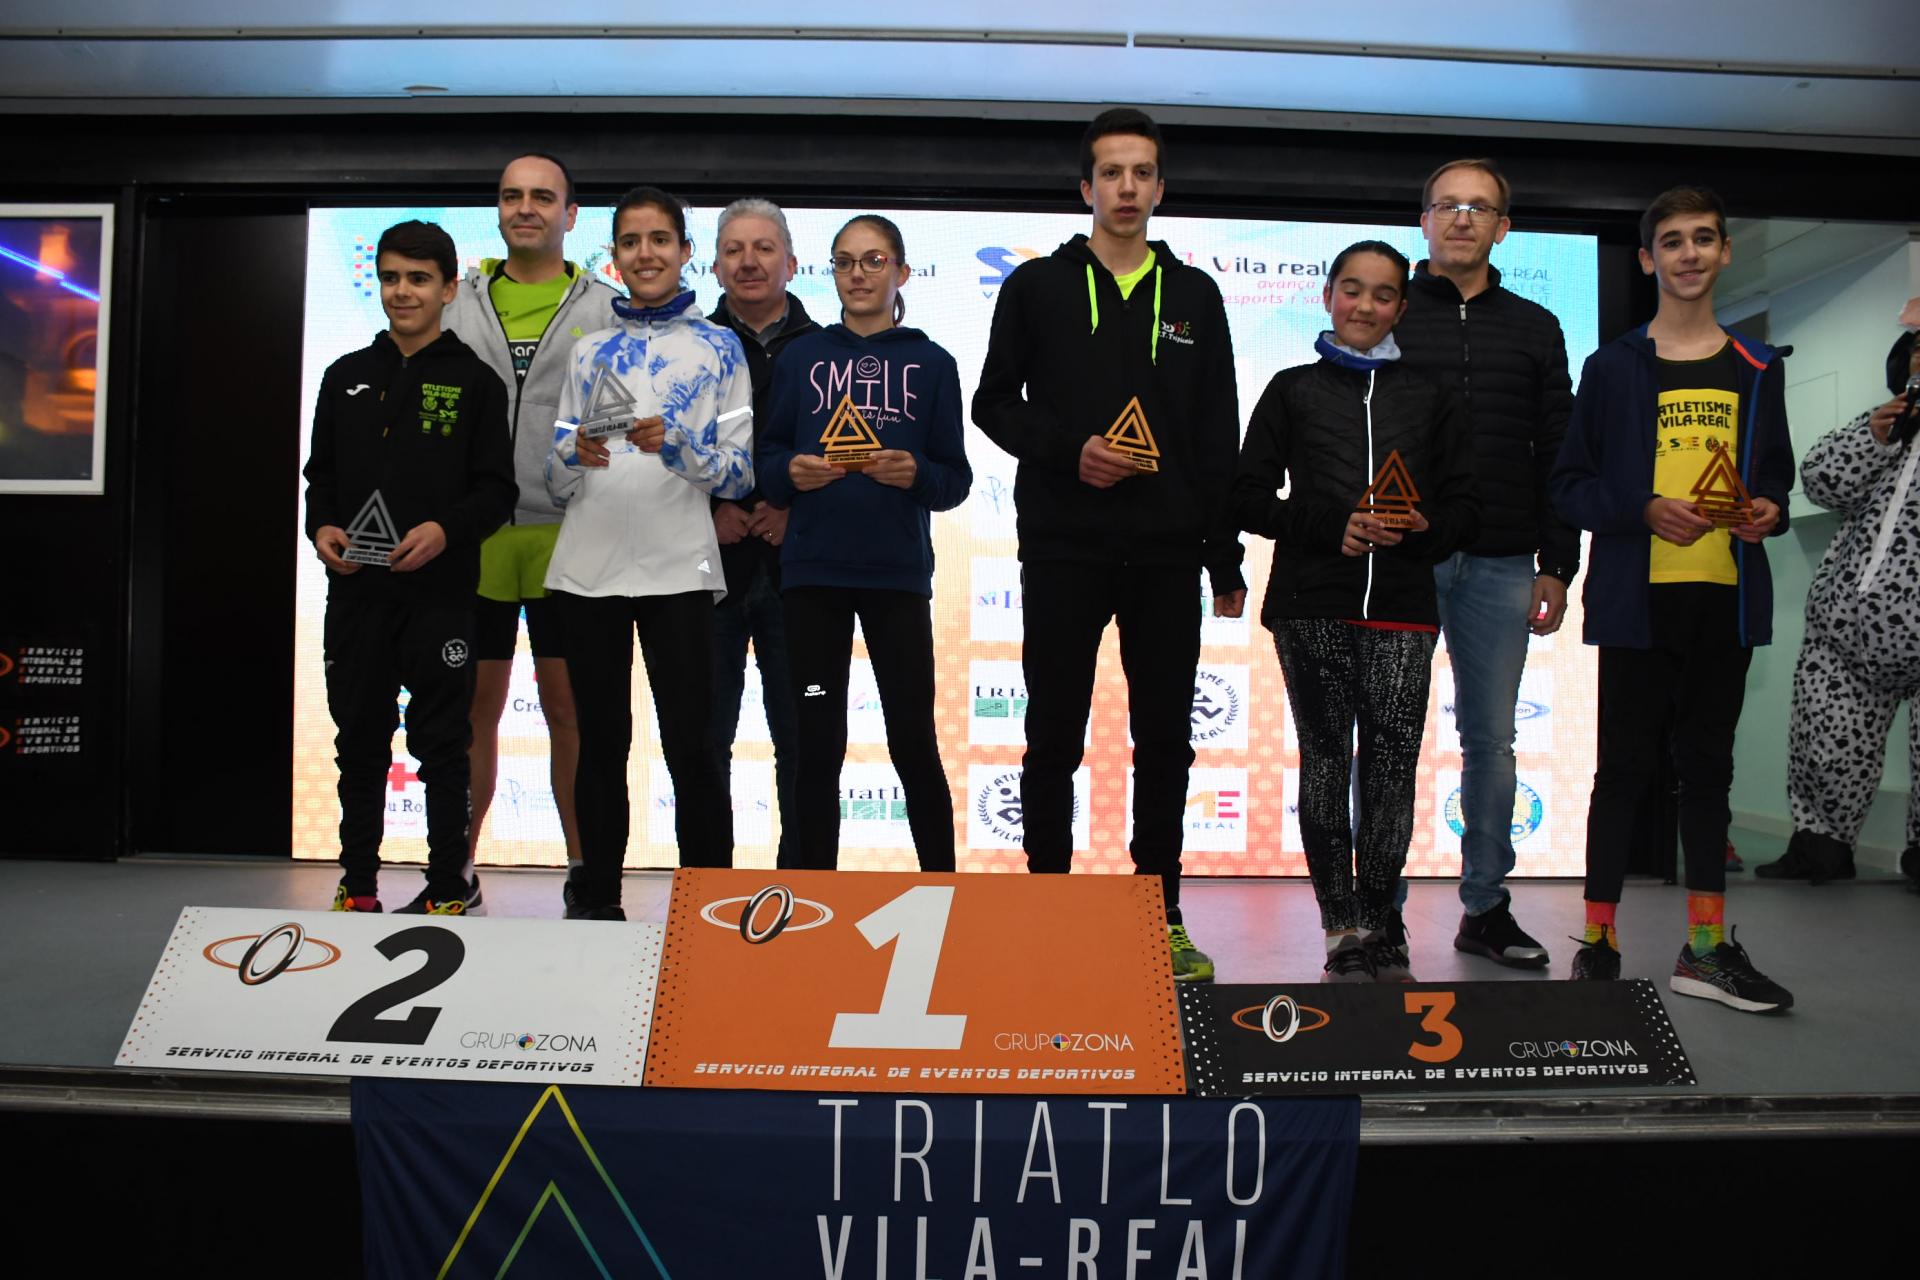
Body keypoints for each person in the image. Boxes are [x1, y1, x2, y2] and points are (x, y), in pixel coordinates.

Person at [973, 107, 1246, 981]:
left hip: (1167, 554)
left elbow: (1217, 434)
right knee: (1053, 735)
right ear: (1085, 187)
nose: (1127, 188)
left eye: (1142, 173)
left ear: (1161, 188)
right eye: (1112, 173)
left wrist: (1224, 556)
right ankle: (1047, 906)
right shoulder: (1036, 287)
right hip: (1064, 547)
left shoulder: (1195, 297)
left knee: (1165, 741)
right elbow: (992, 404)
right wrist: (1069, 451)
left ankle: (1160, 912)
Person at [1549, 185, 1796, 1013]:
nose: (1690, 253)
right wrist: (1644, 509)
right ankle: (1598, 942)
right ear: (1648, 259)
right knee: (1622, 770)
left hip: (1725, 599)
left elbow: (1775, 479)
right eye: (1674, 241)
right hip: (1637, 599)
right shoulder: (1612, 366)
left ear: (1725, 252)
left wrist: (1768, 510)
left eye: (1705, 238)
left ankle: (1706, 951)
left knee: (1708, 770)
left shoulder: (1758, 366)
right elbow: (1571, 486)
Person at [1232, 241, 1477, 982]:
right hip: (1311, 604)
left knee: (1393, 768)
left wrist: (1424, 527)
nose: (1364, 305)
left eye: (1382, 294)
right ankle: (1340, 930)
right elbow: (1247, 497)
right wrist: (1327, 525)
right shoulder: (1291, 390)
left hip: (1403, 607)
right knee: (1327, 760)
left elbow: (1465, 506)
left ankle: (1380, 925)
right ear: (1328, 296)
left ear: (1401, 307)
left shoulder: (1431, 396)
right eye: (1352, 289)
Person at [544, 187, 753, 920]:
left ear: (686, 252)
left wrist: (680, 446)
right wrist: (575, 452)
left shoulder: (721, 347)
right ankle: (599, 904)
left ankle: (711, 910)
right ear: (614, 256)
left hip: (680, 570)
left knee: (694, 749)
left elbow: (739, 473)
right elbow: (553, 475)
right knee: (601, 745)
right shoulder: (587, 351)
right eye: (631, 241)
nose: (646, 253)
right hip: (587, 572)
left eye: (660, 239)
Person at [1393, 158, 1577, 968]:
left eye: (1479, 207)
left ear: (1503, 227)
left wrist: (1557, 561)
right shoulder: (1391, 312)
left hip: (1504, 561)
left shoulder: (1536, 326)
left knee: (1492, 744)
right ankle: (1376, 910)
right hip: (1403, 560)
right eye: (1447, 205)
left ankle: (1486, 907)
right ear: (1424, 222)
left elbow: (1559, 448)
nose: (1462, 218)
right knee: (1388, 738)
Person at [305, 219, 516, 914]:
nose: (403, 291)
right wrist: (322, 528)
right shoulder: (344, 377)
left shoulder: (476, 382)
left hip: (442, 599)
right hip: (357, 597)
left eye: (419, 279)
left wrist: (444, 531)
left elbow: (496, 492)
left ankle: (448, 887)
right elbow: (320, 480)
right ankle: (358, 885)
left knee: (444, 746)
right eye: (391, 277)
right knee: (360, 743)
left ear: (449, 289)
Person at [758, 215, 971, 869]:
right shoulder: (801, 358)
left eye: (874, 261)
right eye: (845, 262)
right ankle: (815, 892)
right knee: (817, 737)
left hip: (895, 580)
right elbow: (765, 458)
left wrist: (918, 474)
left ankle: (943, 888)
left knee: (912, 737)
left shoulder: (933, 364)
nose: (858, 274)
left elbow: (955, 479)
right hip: (812, 581)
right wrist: (789, 474)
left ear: (901, 272)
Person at [443, 153, 619, 895]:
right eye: (512, 196)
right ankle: (454, 867)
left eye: (543, 197)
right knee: (471, 712)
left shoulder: (607, 307)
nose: (526, 208)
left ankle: (583, 869)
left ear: (570, 215)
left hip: (568, 537)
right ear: (497, 209)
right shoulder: (456, 302)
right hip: (475, 539)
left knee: (569, 711)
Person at [1764, 320, 1920, 888]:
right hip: (1843, 631)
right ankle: (1820, 850)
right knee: (1825, 743)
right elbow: (1821, 482)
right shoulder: (1884, 424)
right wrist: (1873, 438)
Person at [706, 199, 820, 869]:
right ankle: (707, 888)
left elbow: (847, 455)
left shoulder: (829, 350)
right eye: (734, 249)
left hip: (797, 574)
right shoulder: (690, 346)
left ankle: (801, 889)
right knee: (703, 742)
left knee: (803, 741)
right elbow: (657, 451)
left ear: (792, 263)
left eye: (764, 248)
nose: (748, 262)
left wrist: (793, 510)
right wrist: (708, 511)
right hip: (706, 573)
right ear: (715, 266)